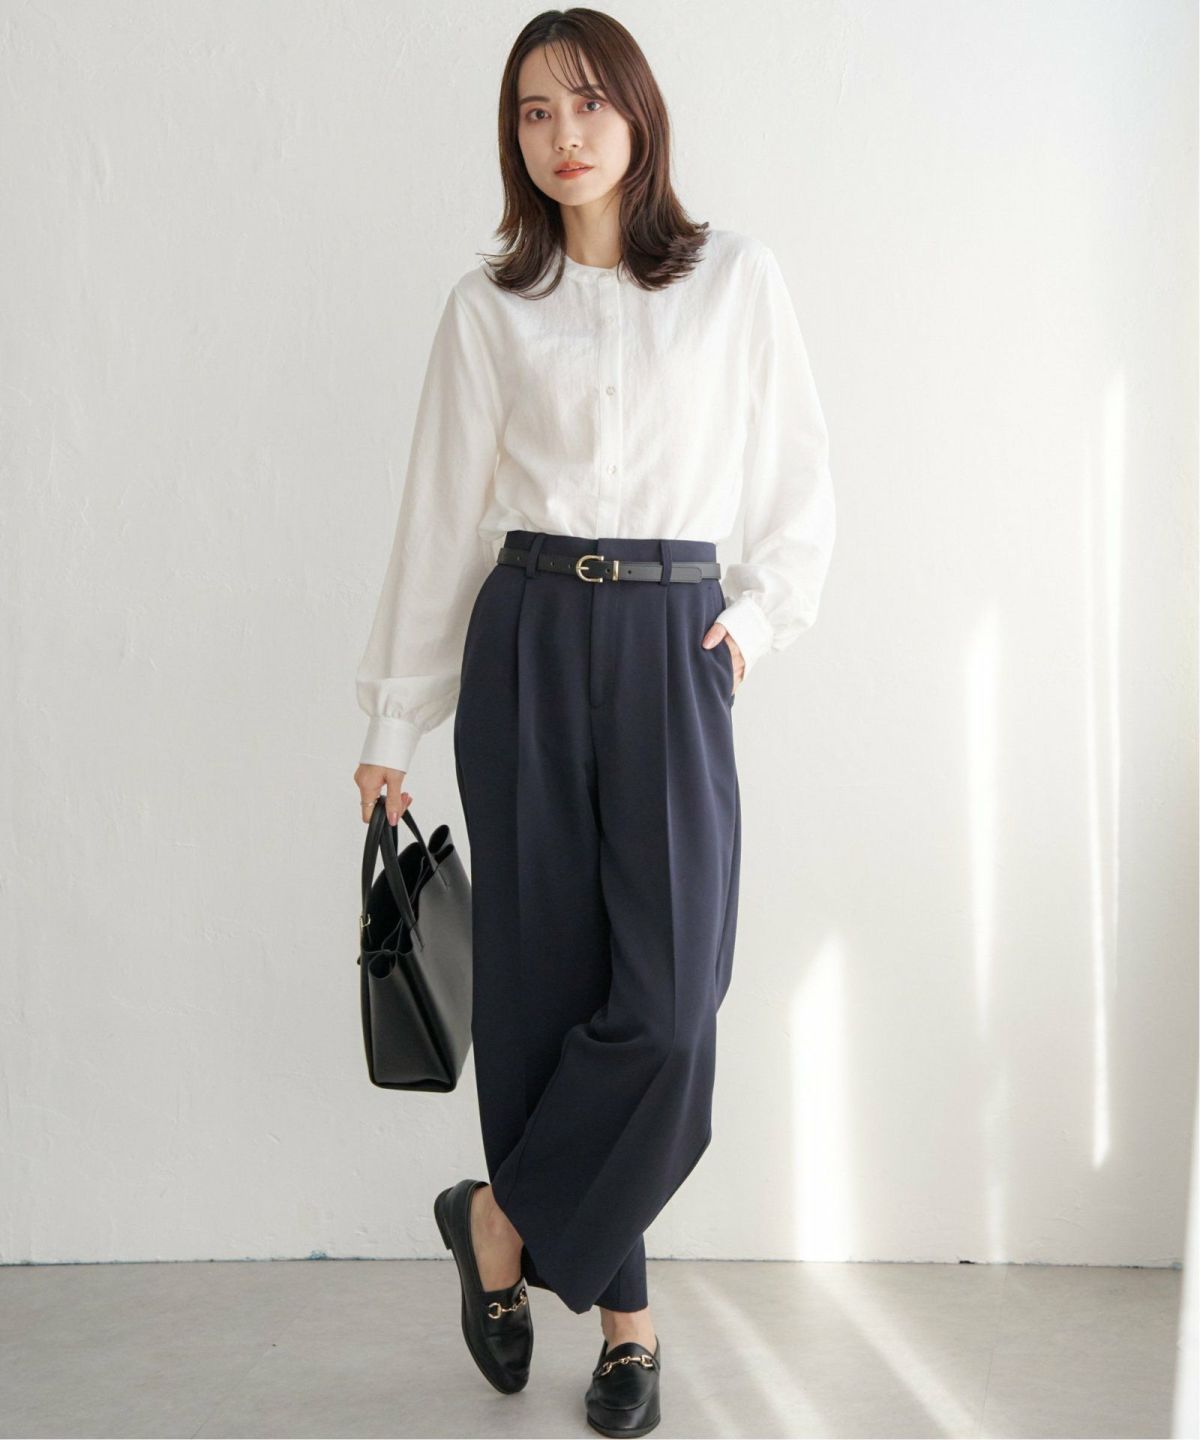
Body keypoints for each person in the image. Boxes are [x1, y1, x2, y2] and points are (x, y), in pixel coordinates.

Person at [353, 9, 835, 1435]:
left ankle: (496, 1222)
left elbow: (800, 489)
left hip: (677, 639)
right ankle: (628, 1323)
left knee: (671, 1012)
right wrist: (394, 720)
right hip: (529, 635)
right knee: (545, 992)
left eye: (586, 104)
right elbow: (441, 517)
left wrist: (752, 629)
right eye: (532, 113)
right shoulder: (487, 308)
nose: (563, 136)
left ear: (639, 112)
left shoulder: (737, 281)